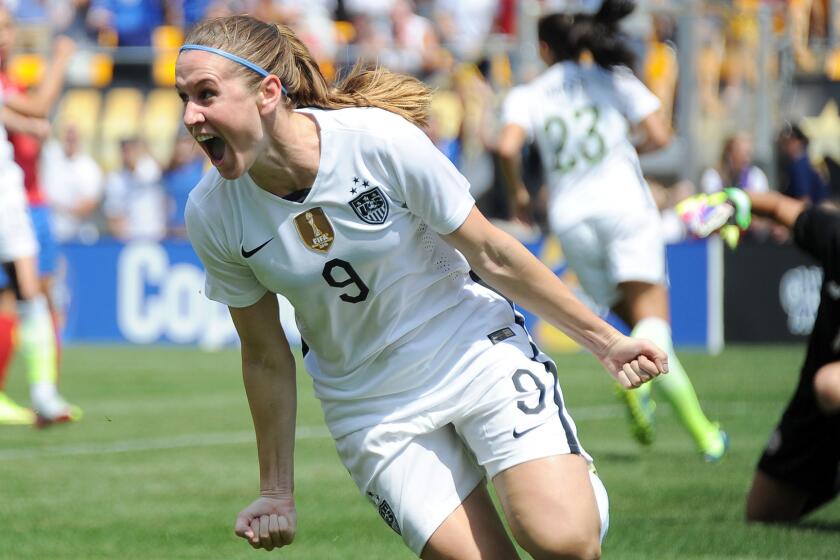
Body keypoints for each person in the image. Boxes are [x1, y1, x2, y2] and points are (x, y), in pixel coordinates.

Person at [177, 15, 668, 558]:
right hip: (371, 407)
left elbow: (491, 252)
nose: (190, 116)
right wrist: (276, 492)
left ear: (268, 92)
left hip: (471, 351)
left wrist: (605, 341)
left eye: (206, 95)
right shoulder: (211, 213)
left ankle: (574, 493)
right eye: (183, 99)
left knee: (563, 541)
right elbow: (265, 354)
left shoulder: (376, 141)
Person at [496, 1, 728, 461]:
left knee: (632, 320)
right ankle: (703, 434)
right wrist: (623, 148)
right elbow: (660, 135)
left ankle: (652, 398)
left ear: (544, 49)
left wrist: (520, 193)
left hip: (571, 217)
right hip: (623, 204)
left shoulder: (530, 93)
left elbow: (507, 146)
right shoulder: (611, 77)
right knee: (654, 322)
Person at [681, 188, 840, 523]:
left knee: (832, 385)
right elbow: (782, 206)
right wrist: (734, 200)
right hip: (812, 404)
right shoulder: (834, 235)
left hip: (828, 386)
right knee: (764, 513)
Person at [0, 13, 80, 425]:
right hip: (17, 202)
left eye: (7, 27)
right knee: (30, 295)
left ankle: (44, 393)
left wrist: (31, 124)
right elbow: (38, 111)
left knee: (29, 295)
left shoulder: (8, 81)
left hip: (21, 199)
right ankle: (42, 394)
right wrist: (62, 59)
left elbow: (29, 121)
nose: (4, 36)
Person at [777, 123, 830, 205]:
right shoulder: (808, 159)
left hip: (813, 213)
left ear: (799, 142)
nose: (784, 147)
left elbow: (804, 200)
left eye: (788, 142)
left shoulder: (799, 164)